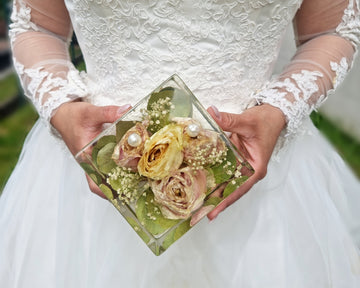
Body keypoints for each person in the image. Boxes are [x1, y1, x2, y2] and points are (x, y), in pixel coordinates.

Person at [1, 0, 360, 287]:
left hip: (262, 188)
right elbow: (37, 26)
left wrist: (282, 108)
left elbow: (331, 29)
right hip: (96, 181)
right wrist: (61, 108)